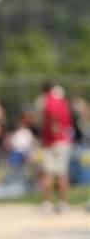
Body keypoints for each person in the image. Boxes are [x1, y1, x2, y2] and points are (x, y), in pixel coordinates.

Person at [35, 82, 73, 213]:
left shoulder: (49, 100)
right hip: (64, 141)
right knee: (62, 174)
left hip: (52, 141)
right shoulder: (63, 101)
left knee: (48, 174)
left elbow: (51, 114)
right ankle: (63, 203)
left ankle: (47, 203)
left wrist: (53, 127)